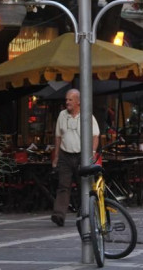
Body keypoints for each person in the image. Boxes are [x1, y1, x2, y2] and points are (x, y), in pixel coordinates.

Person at [51, 89, 99, 227]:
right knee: (63, 185)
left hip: (81, 155)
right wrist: (56, 157)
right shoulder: (62, 115)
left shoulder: (87, 115)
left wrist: (93, 152)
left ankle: (88, 213)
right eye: (66, 100)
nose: (67, 102)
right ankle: (59, 215)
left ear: (78, 101)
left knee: (84, 186)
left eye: (70, 100)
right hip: (65, 155)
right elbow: (58, 137)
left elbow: (95, 135)